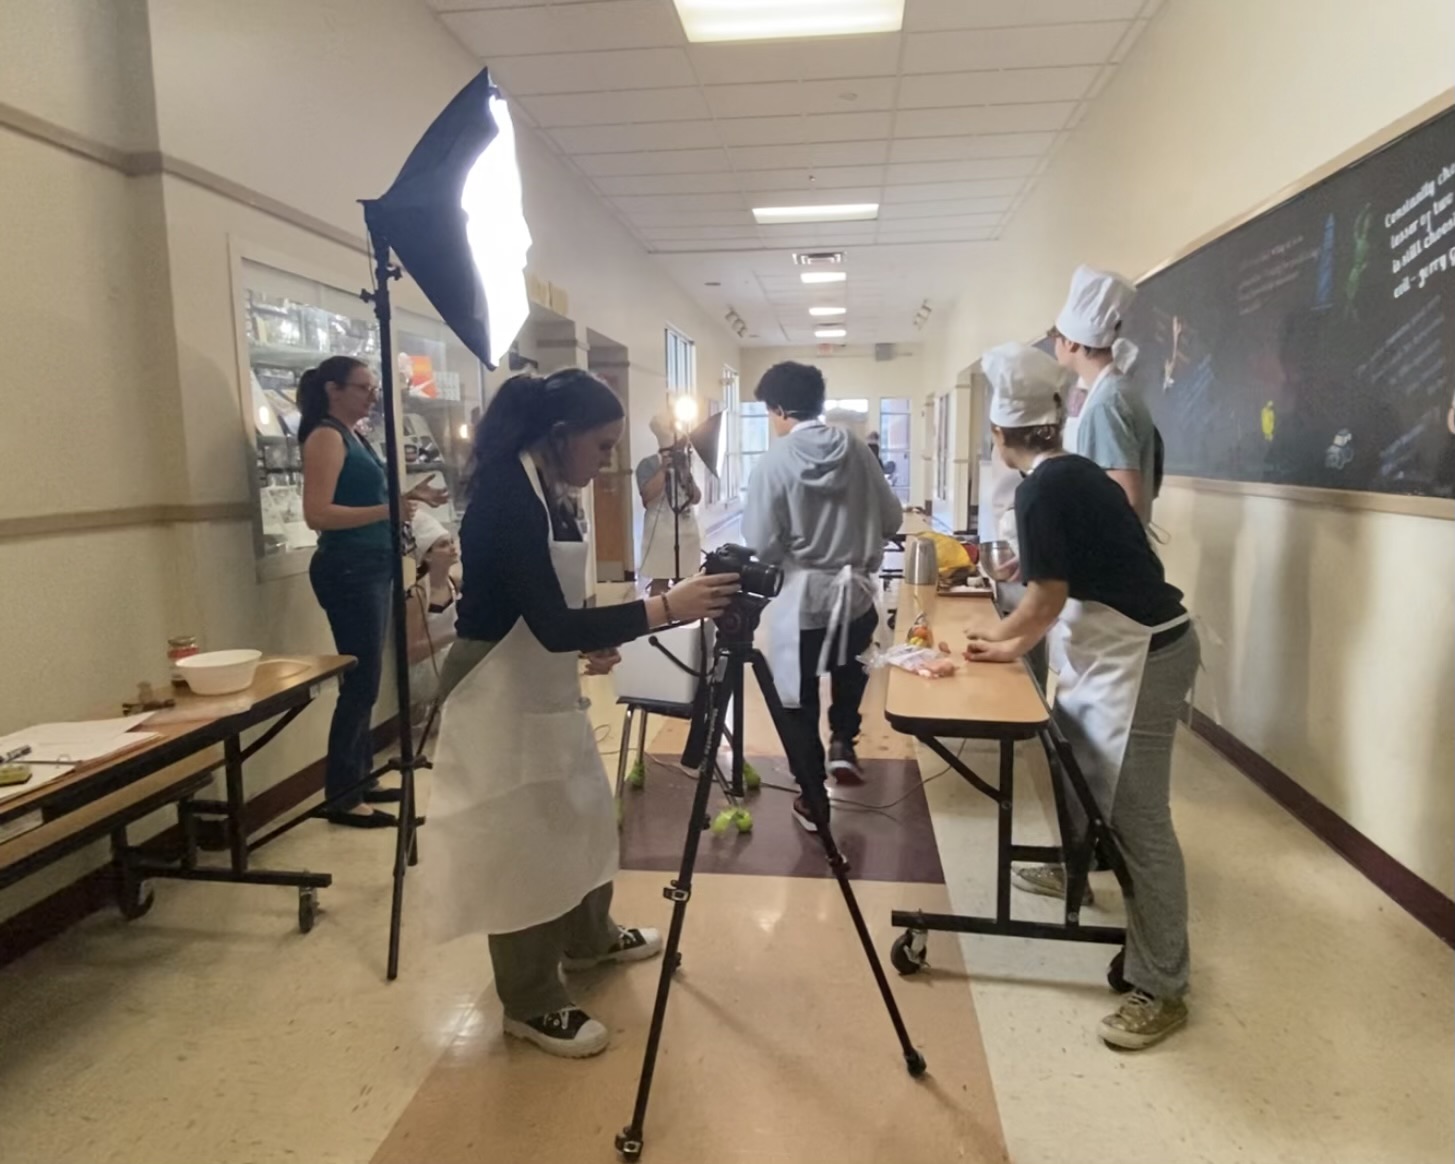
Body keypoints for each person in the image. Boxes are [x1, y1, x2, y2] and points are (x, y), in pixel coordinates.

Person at [425, 369, 738, 1059]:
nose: (605, 463)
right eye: (600, 447)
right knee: (520, 840)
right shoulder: (508, 497)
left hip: (535, 676)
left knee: (581, 810)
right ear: (559, 434)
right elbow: (546, 623)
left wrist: (589, 640)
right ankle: (530, 999)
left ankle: (587, 938)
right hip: (495, 688)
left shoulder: (549, 490)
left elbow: (551, 616)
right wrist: (663, 609)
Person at [965, 342, 1200, 1052]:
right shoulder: (1077, 473)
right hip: (1127, 644)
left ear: (1000, 433)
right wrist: (1019, 587)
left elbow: (1045, 597)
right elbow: (1068, 566)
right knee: (1078, 761)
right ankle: (1074, 863)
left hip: (1143, 653)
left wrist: (1000, 643)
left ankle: (1162, 984)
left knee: (1139, 818)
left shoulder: (1039, 487)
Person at [742, 362, 902, 824]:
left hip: (801, 600)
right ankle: (843, 742)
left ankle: (813, 797)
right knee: (850, 671)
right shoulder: (857, 449)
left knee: (798, 698)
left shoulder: (773, 462)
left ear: (777, 409)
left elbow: (762, 544)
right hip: (856, 595)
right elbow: (891, 520)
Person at [299, 355, 446, 829]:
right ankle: (342, 793)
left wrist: (409, 500)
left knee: (368, 679)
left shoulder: (353, 435)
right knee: (359, 682)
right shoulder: (326, 435)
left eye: (372, 387)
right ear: (333, 390)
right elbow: (318, 514)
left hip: (371, 565)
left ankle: (358, 777)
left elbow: (368, 499)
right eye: (362, 387)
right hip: (348, 568)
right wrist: (387, 510)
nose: (371, 395)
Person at [1051, 266, 1157, 524]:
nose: (1053, 343)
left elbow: (1128, 500)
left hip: (1108, 557)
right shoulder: (1109, 392)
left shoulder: (1106, 404)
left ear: (1072, 342)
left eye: (1056, 335)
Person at [636, 409, 702, 593]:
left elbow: (696, 498)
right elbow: (647, 497)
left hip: (686, 530)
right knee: (660, 579)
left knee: (687, 581)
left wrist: (684, 473)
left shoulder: (684, 465)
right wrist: (663, 469)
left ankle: (685, 617)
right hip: (661, 532)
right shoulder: (647, 464)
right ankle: (660, 617)